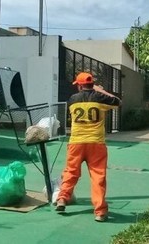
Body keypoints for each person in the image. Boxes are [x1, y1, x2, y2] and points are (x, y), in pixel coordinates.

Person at [55, 72, 122, 222]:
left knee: (71, 172)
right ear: (92, 85)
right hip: (96, 144)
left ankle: (62, 199)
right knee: (98, 176)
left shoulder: (73, 100)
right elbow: (118, 101)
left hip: (76, 142)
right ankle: (99, 212)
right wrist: (101, 91)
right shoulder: (100, 98)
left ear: (79, 86)